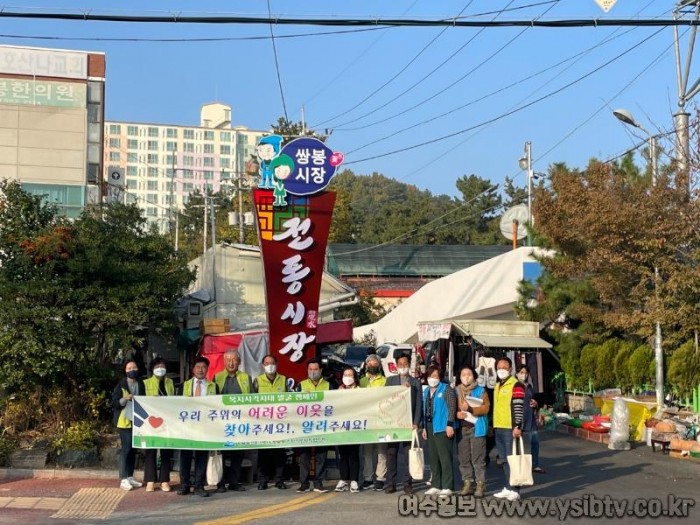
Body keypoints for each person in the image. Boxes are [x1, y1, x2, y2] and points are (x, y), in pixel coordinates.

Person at [178, 356, 217, 497]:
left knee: (201, 456)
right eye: (198, 367)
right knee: (185, 456)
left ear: (207, 369)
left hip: (205, 427)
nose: (201, 370)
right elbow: (176, 406)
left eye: (204, 367)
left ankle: (199, 485)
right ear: (193, 369)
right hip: (187, 427)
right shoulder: (184, 385)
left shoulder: (213, 386)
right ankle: (185, 484)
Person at [214, 349, 251, 493]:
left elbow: (253, 399)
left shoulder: (246, 378)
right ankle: (221, 482)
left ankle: (234, 481)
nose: (231, 362)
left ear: (239, 362)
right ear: (224, 362)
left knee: (238, 452)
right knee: (221, 453)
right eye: (228, 360)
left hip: (240, 422)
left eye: (234, 359)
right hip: (222, 423)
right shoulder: (217, 377)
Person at [385, 354, 422, 494]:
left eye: (405, 363)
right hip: (393, 423)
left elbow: (419, 404)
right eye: (400, 364)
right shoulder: (390, 381)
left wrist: (416, 422)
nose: (402, 366)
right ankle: (391, 483)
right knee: (391, 453)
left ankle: (408, 483)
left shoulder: (415, 382)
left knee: (409, 455)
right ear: (395, 365)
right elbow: (385, 400)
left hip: (408, 424)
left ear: (409, 364)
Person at [493, 357, 527, 501]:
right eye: (499, 367)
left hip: (510, 428)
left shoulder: (516, 385)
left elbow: (519, 407)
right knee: (504, 459)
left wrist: (518, 426)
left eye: (504, 367)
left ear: (510, 369)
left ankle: (515, 489)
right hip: (498, 426)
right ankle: (508, 486)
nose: (501, 370)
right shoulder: (498, 385)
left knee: (512, 459)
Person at [253, 354, 288, 490]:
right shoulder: (257, 381)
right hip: (263, 423)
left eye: (272, 363)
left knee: (280, 453)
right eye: (266, 363)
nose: (269, 366)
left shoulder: (283, 380)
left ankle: (279, 480)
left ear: (276, 364)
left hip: (280, 423)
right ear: (263, 366)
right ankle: (263, 480)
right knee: (264, 453)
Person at [296, 358, 331, 493]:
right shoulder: (301, 385)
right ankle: (304, 483)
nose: (313, 372)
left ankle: (318, 483)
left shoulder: (328, 385)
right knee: (304, 455)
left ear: (321, 370)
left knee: (321, 455)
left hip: (322, 424)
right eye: (310, 369)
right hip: (305, 425)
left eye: (315, 369)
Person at [455, 365, 490, 498]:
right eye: (463, 374)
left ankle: (480, 484)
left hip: (477, 428)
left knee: (478, 458)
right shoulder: (456, 390)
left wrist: (470, 409)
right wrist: (457, 415)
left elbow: (486, 408)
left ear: (474, 376)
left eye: (469, 374)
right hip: (462, 428)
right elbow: (452, 407)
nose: (466, 377)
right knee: (464, 458)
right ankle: (467, 482)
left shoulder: (481, 391)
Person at [421, 365, 456, 496]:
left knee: (444, 457)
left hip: (443, 426)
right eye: (430, 376)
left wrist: (450, 425)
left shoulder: (446, 389)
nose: (432, 379)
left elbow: (452, 407)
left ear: (440, 377)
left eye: (435, 376)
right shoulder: (426, 391)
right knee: (433, 457)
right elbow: (425, 409)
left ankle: (447, 485)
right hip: (430, 426)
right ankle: (436, 484)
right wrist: (424, 427)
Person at [112, 359, 145, 491]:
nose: (132, 370)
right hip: (124, 421)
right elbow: (114, 403)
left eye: (134, 367)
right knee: (125, 449)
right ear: (125, 370)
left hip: (137, 421)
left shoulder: (141, 384)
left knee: (133, 449)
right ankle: (123, 478)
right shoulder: (121, 385)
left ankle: (130, 476)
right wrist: (124, 399)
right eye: (129, 368)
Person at [143, 358, 175, 492]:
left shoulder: (170, 382)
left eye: (162, 366)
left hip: (166, 421)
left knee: (165, 451)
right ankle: (150, 480)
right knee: (150, 450)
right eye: (157, 366)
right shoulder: (145, 383)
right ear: (152, 369)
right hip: (150, 421)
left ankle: (164, 480)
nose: (160, 368)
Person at [359, 354, 388, 491]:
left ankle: (380, 478)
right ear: (366, 365)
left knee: (381, 450)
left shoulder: (385, 381)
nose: (372, 366)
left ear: (379, 365)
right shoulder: (362, 381)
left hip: (381, 420)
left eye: (375, 364)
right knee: (367, 451)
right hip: (366, 420)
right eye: (370, 364)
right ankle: (368, 478)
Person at [334, 367, 361, 494]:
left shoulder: (360, 391)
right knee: (343, 454)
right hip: (341, 427)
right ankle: (344, 479)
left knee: (353, 454)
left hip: (356, 427)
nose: (347, 377)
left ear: (355, 377)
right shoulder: (338, 391)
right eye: (345, 374)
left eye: (350, 375)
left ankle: (354, 480)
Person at [517, 365, 544, 474]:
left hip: (530, 418)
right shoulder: (515, 386)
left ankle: (535, 464)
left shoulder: (529, 386)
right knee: (517, 443)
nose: (524, 375)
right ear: (517, 373)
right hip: (519, 418)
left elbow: (533, 400)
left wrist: (536, 404)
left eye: (526, 373)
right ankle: (517, 465)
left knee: (535, 441)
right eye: (522, 372)